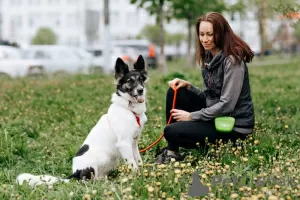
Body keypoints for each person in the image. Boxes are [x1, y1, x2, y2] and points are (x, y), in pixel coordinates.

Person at [155, 12, 255, 164]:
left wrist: (191, 117)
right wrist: (189, 87)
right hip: (216, 117)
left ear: (220, 34)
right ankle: (172, 151)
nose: (205, 39)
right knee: (176, 91)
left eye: (210, 34)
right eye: (201, 34)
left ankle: (175, 145)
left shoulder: (232, 60)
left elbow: (227, 105)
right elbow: (209, 98)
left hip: (233, 127)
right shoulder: (209, 56)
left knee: (171, 131)